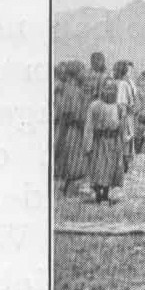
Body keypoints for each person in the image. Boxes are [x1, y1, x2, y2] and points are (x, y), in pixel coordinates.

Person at [83, 78, 125, 204]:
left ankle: (106, 193)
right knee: (99, 168)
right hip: (99, 141)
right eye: (106, 88)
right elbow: (89, 126)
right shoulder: (95, 105)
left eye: (112, 88)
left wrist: (122, 144)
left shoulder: (119, 107)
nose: (109, 91)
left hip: (112, 141)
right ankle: (98, 193)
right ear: (101, 89)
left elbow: (121, 127)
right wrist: (87, 145)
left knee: (110, 169)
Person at [55, 60, 89, 195]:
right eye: (82, 72)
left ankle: (67, 187)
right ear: (76, 74)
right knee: (73, 159)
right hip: (73, 130)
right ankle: (70, 190)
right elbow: (72, 113)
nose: (85, 75)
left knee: (71, 158)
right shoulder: (72, 90)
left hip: (71, 129)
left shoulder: (70, 89)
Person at [114, 60, 137, 173]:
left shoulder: (129, 82)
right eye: (128, 70)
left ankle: (125, 164)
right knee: (124, 139)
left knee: (127, 139)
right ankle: (122, 165)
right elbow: (121, 103)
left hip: (129, 114)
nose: (130, 72)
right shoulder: (122, 84)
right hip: (124, 115)